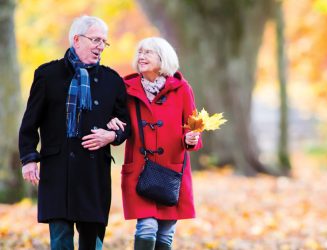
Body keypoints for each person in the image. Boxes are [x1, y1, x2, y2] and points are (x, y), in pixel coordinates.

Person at [18, 15, 130, 250]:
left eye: (104, 42)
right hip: (58, 169)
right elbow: (30, 122)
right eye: (96, 40)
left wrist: (112, 136)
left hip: (93, 172)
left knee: (92, 241)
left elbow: (125, 123)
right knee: (60, 238)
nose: (101, 46)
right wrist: (29, 158)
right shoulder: (48, 75)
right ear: (76, 39)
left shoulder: (112, 81)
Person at [107, 37, 202, 250]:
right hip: (140, 170)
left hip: (172, 170)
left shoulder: (182, 88)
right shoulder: (126, 88)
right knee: (147, 227)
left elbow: (193, 127)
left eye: (148, 52)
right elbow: (115, 117)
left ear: (163, 58)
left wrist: (190, 138)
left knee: (166, 232)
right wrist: (112, 122)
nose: (141, 56)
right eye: (140, 52)